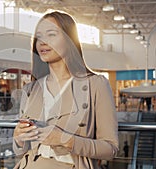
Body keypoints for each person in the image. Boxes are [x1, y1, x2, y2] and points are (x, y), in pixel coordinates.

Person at [12, 11, 119, 169]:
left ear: (70, 40)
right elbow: (22, 152)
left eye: (51, 34)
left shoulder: (96, 85)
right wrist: (18, 140)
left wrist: (67, 140)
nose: (42, 42)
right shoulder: (31, 89)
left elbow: (110, 149)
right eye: (39, 37)